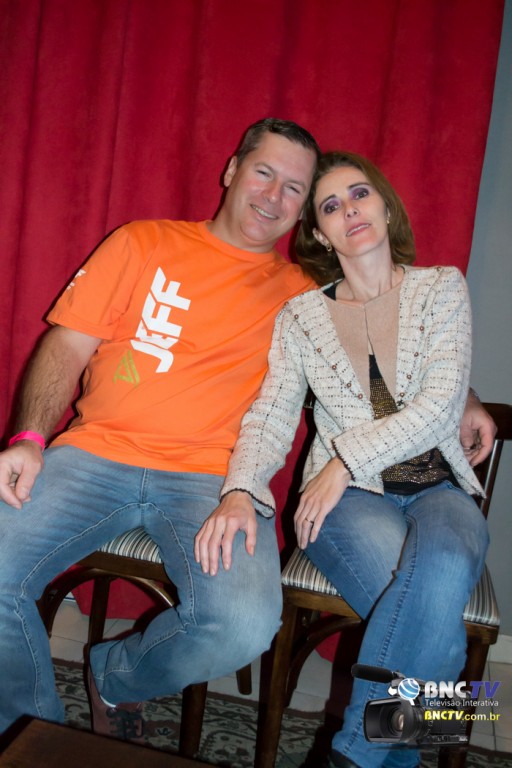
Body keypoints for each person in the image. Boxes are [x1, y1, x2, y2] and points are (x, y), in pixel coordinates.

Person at [201, 151, 491, 768]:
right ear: (320, 234)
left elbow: (441, 406)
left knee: (440, 574)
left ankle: (356, 754)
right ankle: (391, 753)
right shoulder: (301, 318)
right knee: (432, 617)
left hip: (439, 488)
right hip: (348, 504)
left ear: (385, 206)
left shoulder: (443, 287)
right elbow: (272, 416)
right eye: (330, 206)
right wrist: (241, 488)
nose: (350, 210)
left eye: (360, 194)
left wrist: (342, 461)